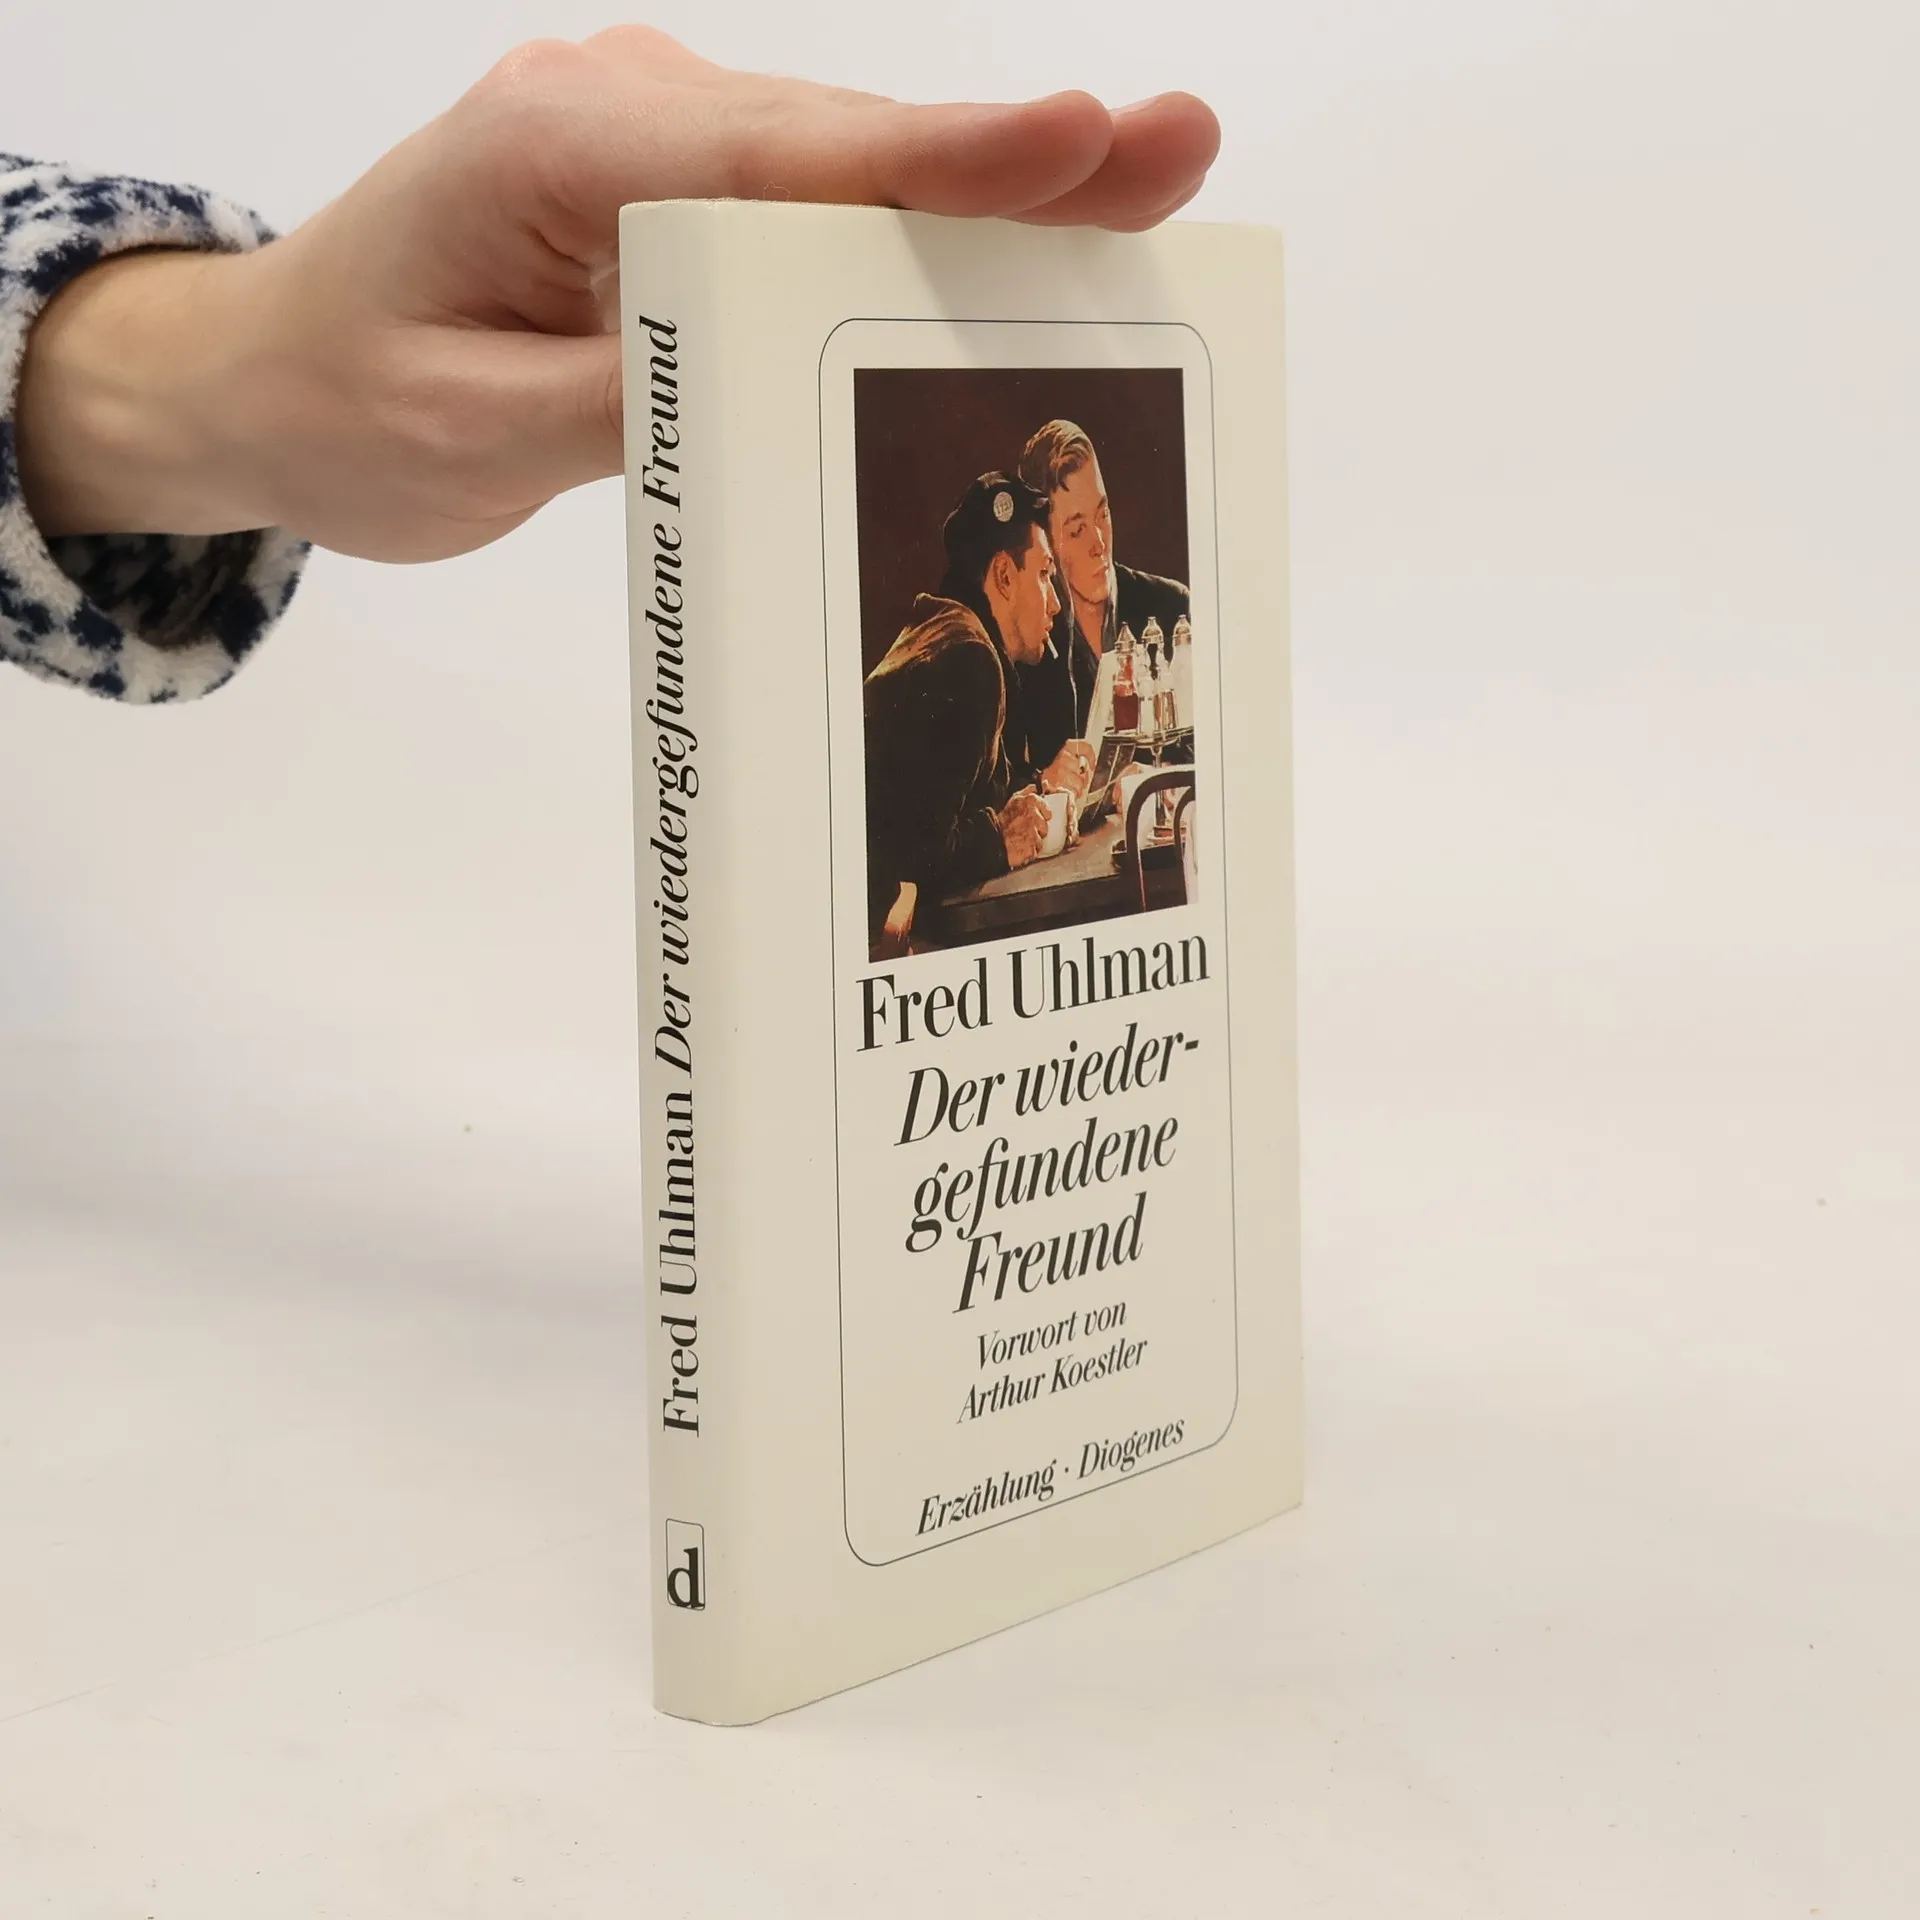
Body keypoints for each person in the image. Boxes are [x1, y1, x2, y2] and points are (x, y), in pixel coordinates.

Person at [0, 30, 1220, 701]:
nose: (1084, 550)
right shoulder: (963, 668)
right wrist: (228, 377)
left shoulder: (1147, 616)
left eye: (1096, 519)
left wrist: (210, 378)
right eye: (1065, 529)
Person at [863, 473, 1087, 947]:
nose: (1055, 603)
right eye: (1044, 575)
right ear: (1004, 576)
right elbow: (914, 851)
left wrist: (1035, 791)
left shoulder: (951, 633)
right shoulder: (970, 660)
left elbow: (961, 794)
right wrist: (1001, 839)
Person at [1015, 417, 1192, 763]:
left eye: (1103, 514)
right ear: (1044, 540)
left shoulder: (1174, 609)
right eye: (1077, 530)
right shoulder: (1029, 651)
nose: (1099, 544)